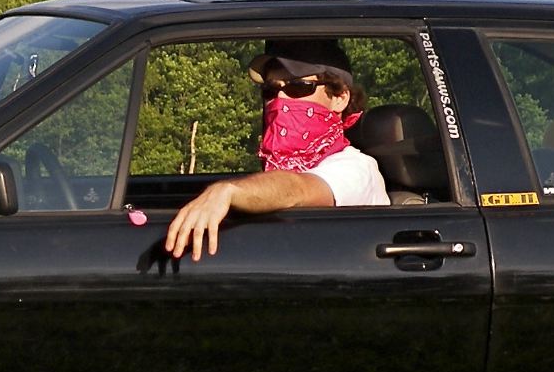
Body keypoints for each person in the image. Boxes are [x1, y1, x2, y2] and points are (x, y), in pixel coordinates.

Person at [163, 38, 388, 261]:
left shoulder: (357, 169)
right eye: (270, 91)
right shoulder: (279, 168)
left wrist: (227, 191)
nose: (280, 99)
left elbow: (298, 189)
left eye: (298, 87)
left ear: (340, 98)